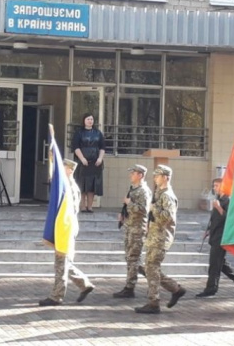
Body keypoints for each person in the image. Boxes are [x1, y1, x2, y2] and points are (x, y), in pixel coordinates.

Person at [39, 159, 95, 306]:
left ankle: (56, 296)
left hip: (66, 227)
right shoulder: (66, 185)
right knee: (64, 262)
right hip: (65, 226)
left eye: (63, 167)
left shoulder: (69, 187)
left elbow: (68, 210)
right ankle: (84, 284)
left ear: (70, 170)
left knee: (61, 261)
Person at [135, 165, 185, 314]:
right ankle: (175, 289)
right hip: (154, 236)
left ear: (165, 177)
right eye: (154, 176)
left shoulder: (167, 195)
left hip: (161, 237)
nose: (155, 178)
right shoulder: (159, 193)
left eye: (157, 176)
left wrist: (153, 208)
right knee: (151, 268)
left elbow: (167, 217)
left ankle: (154, 302)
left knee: (151, 268)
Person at [196, 178, 234, 298]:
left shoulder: (228, 200)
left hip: (222, 236)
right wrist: (208, 229)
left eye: (217, 186)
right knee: (220, 262)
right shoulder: (218, 199)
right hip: (215, 234)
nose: (215, 188)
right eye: (214, 186)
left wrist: (219, 208)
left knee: (214, 263)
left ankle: (211, 288)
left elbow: (230, 220)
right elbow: (215, 218)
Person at [113, 164, 151, 298]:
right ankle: (153, 277)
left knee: (133, 259)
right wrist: (123, 214)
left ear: (140, 175)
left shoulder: (143, 191)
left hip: (137, 229)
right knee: (130, 259)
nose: (131, 175)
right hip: (130, 227)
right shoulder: (134, 189)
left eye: (133, 173)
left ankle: (130, 287)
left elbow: (144, 210)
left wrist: (129, 203)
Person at [71, 113, 105, 213]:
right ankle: (82, 206)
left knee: (92, 185)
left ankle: (90, 206)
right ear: (84, 120)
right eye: (88, 119)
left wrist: (100, 158)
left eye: (91, 119)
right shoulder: (79, 133)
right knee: (82, 184)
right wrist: (82, 159)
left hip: (95, 163)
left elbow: (102, 147)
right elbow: (75, 147)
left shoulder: (98, 133)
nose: (90, 121)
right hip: (82, 163)